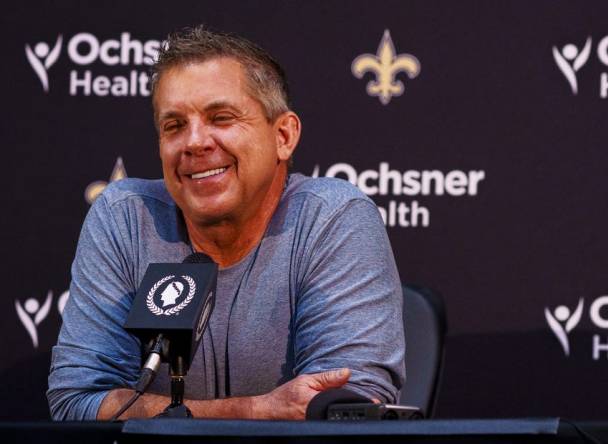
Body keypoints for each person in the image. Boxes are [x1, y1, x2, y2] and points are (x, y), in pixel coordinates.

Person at [47, 27, 405, 420]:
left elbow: (342, 409)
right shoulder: (125, 217)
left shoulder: (332, 217)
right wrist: (255, 410)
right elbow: (77, 403)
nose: (195, 142)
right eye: (174, 126)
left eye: (221, 117)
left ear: (283, 136)